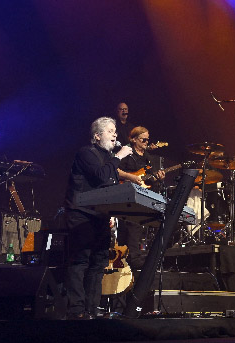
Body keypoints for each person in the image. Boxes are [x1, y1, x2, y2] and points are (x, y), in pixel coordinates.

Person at [63, 116, 144, 319]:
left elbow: (109, 187)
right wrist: (120, 155)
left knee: (98, 262)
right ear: (97, 136)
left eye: (115, 131)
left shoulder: (107, 159)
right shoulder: (86, 153)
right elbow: (102, 176)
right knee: (81, 261)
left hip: (99, 216)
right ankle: (76, 310)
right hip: (81, 214)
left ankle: (91, 309)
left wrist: (112, 213)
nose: (115, 134)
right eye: (110, 131)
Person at [117, 126, 165, 269]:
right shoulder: (127, 153)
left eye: (147, 139)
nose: (146, 142)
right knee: (133, 225)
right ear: (133, 139)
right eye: (143, 139)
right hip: (126, 193)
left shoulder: (148, 158)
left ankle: (142, 256)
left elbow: (149, 180)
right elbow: (115, 170)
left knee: (142, 224)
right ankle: (133, 258)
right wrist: (130, 177)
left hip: (142, 194)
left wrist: (158, 178)